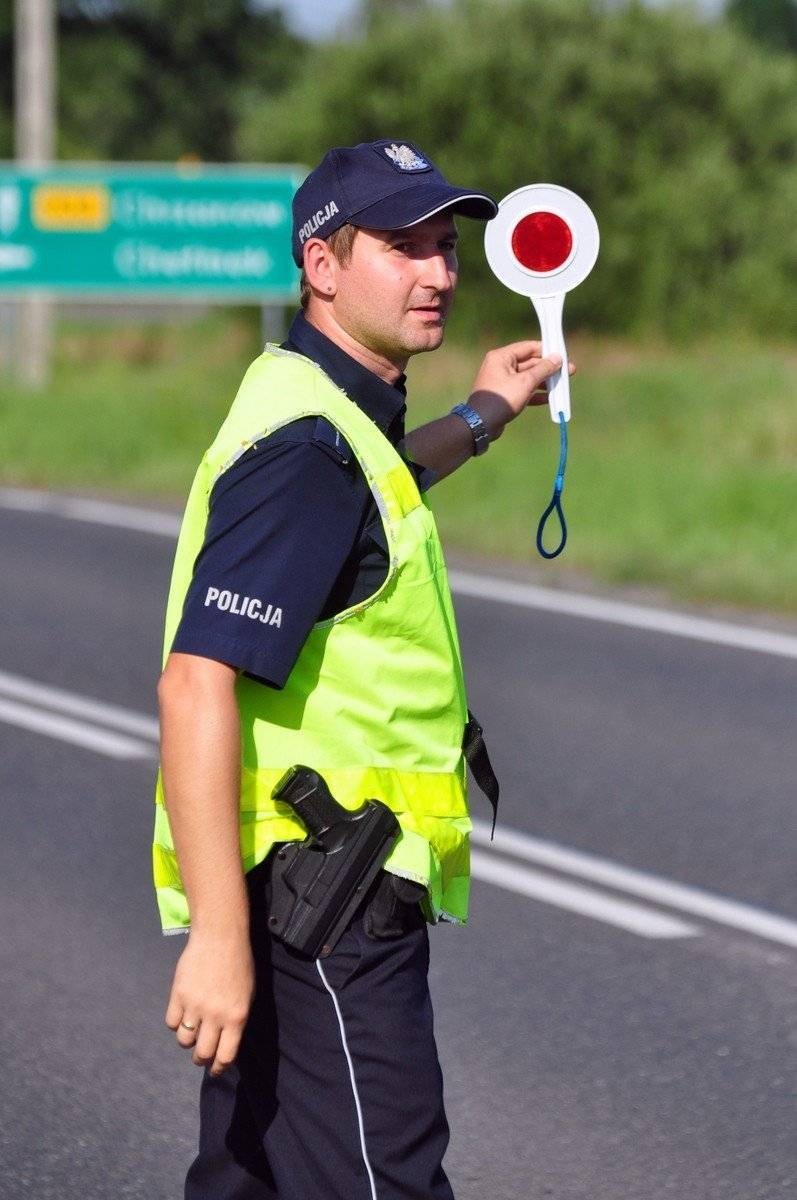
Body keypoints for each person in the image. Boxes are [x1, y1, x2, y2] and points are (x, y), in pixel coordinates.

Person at [153, 139, 572, 1200]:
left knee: (252, 1176)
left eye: (443, 245)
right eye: (401, 245)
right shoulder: (304, 445)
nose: (436, 270)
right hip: (325, 903)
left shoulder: (325, 403)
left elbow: (371, 488)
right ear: (321, 264)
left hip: (304, 884)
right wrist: (215, 940)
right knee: (385, 1181)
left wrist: (481, 417)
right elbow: (194, 682)